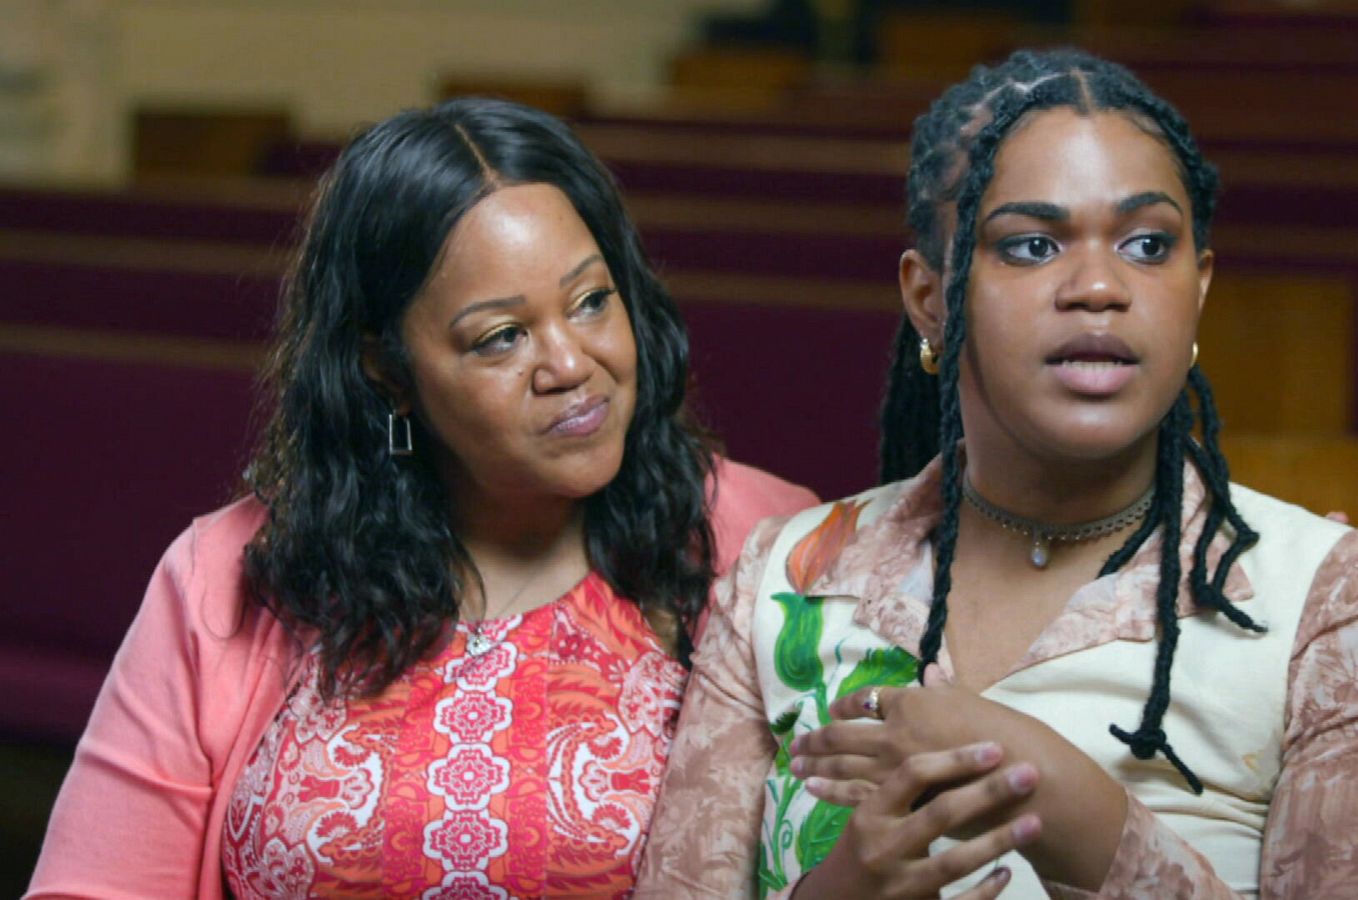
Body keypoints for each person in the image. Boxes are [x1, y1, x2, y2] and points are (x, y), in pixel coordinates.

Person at [637, 49, 1358, 898]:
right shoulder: (782, 577)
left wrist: (1063, 798)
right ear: (930, 296)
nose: (1098, 286)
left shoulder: (1349, 609)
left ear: (1199, 285)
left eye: (1149, 244)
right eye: (1032, 245)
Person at [28, 98, 816, 899]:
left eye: (590, 302)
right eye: (502, 337)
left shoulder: (769, 545)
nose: (570, 365)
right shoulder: (234, 575)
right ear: (389, 371)